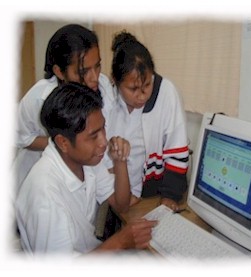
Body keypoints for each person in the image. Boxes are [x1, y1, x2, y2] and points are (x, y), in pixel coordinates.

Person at [15, 82, 157, 255]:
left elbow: (121, 205)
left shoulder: (85, 161)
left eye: (103, 128)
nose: (104, 142)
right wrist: (120, 241)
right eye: (93, 136)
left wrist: (120, 162)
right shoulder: (46, 198)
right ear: (63, 142)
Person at [13, 24, 115, 193]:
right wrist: (67, 142)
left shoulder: (103, 86)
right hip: (37, 186)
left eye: (97, 66)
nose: (94, 78)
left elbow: (103, 132)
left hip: (82, 181)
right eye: (83, 71)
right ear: (59, 72)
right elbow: (20, 137)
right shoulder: (39, 98)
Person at [105, 31, 189, 210]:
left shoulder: (165, 93)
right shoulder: (107, 96)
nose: (142, 95)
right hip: (112, 190)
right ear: (115, 81)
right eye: (133, 88)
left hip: (150, 194)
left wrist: (169, 196)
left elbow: (177, 151)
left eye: (147, 85)